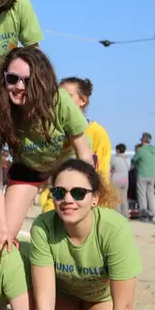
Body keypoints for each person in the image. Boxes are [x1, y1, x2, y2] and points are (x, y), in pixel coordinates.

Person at [31, 159, 141, 310]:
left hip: (100, 297)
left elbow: (124, 306)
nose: (68, 200)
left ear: (95, 198)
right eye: (59, 192)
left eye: (79, 193)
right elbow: (43, 305)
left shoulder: (114, 229)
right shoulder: (43, 227)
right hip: (64, 296)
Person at [0, 46, 93, 251]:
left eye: (28, 80)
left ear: (41, 81)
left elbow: (84, 154)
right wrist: (1, 227)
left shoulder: (59, 101)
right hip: (28, 169)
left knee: (73, 232)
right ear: (4, 79)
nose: (20, 86)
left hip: (66, 169)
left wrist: (86, 193)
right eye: (13, 79)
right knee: (0, 243)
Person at [41, 76, 111, 213]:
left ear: (83, 100)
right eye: (57, 96)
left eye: (67, 96)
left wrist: (98, 205)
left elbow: (102, 173)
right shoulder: (52, 131)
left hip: (83, 203)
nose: (60, 100)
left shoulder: (97, 132)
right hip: (56, 201)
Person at [131, 133, 155, 219]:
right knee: (151, 195)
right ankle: (153, 213)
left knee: (142, 195)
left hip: (142, 174)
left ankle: (144, 214)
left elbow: (134, 160)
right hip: (153, 175)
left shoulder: (141, 150)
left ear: (143, 140)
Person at [110, 143, 131, 218]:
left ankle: (117, 215)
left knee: (116, 199)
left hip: (116, 180)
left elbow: (110, 168)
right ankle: (125, 215)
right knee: (124, 199)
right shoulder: (127, 159)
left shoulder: (114, 159)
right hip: (125, 180)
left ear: (118, 150)